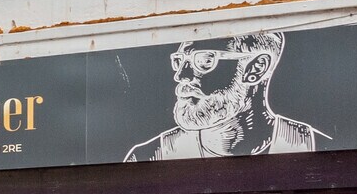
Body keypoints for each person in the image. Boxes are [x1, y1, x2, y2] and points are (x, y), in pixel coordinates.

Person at [124, 31, 327, 162]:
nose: (181, 76)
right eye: (180, 61)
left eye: (204, 60)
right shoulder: (150, 156)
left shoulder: (315, 147)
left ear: (256, 68)